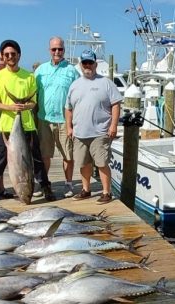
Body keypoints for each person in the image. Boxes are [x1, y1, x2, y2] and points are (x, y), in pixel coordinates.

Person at [0, 39, 55, 204]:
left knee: (36, 160)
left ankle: (46, 187)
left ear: (19, 55)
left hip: (28, 125)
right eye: (7, 54)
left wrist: (24, 107)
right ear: (2, 56)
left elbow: (33, 102)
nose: (10, 57)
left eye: (13, 54)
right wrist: (11, 108)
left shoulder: (29, 77)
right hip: (6, 126)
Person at [65, 50, 122, 205]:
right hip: (79, 133)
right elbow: (68, 108)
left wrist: (113, 125)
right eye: (85, 63)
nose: (88, 65)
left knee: (102, 163)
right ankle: (85, 189)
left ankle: (106, 192)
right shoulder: (74, 85)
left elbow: (116, 105)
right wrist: (68, 127)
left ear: (96, 64)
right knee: (83, 163)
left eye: (90, 62)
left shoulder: (106, 83)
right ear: (81, 65)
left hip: (100, 132)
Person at [35, 36, 80, 197]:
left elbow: (78, 97)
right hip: (44, 119)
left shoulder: (72, 71)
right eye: (54, 49)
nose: (57, 52)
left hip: (64, 121)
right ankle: (43, 184)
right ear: (49, 50)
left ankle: (68, 184)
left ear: (64, 50)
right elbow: (33, 94)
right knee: (44, 154)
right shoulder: (40, 70)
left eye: (60, 49)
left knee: (68, 155)